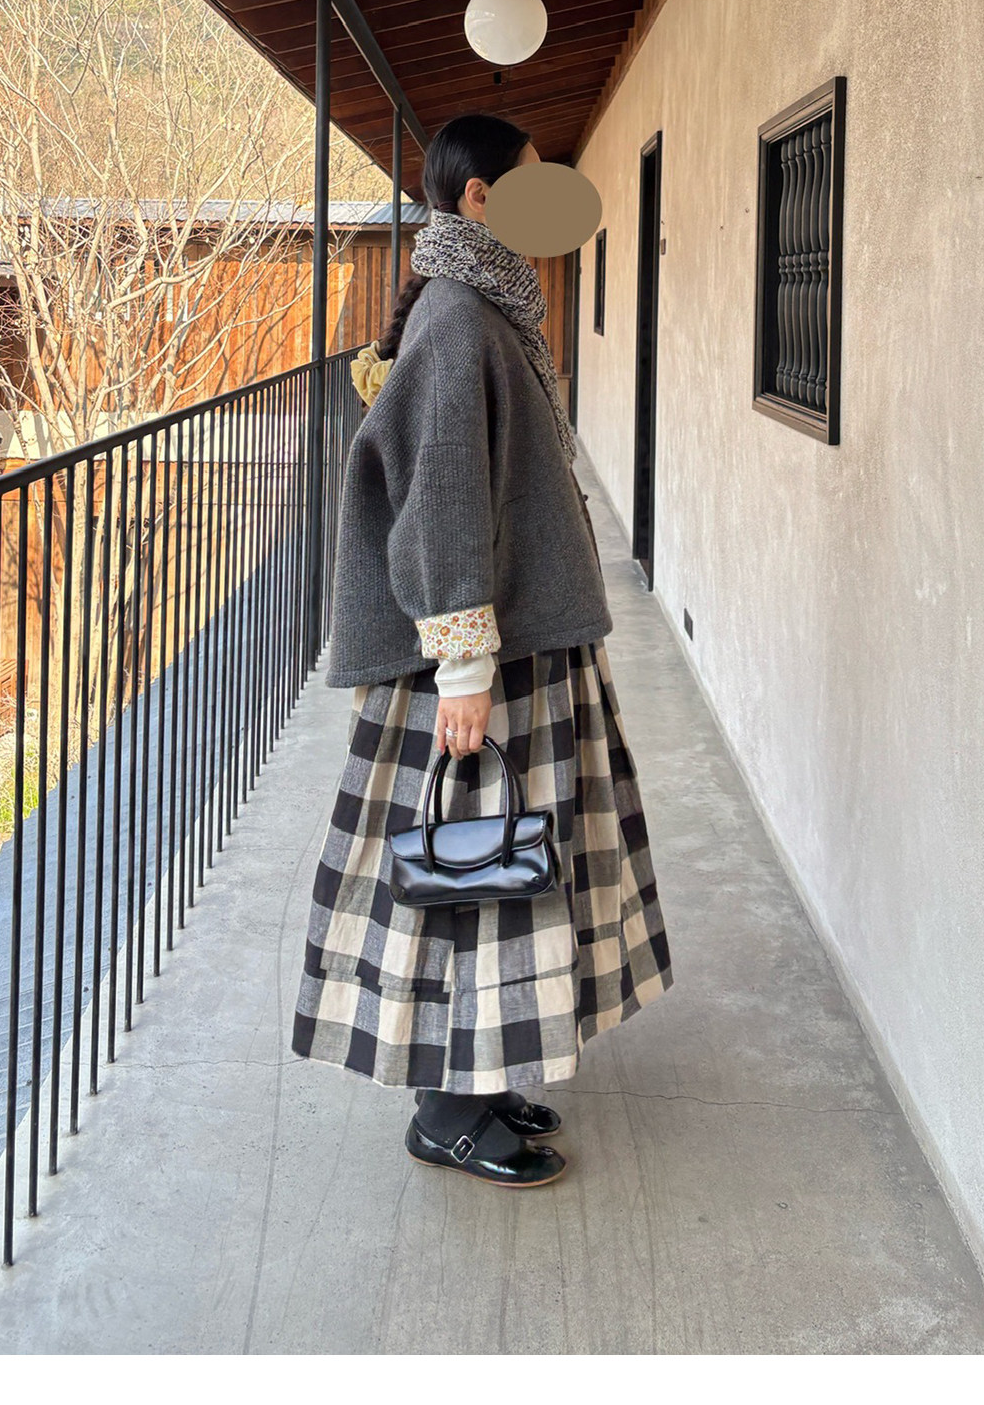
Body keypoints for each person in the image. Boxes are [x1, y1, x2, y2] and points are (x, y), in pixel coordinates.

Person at [291, 111, 672, 1188]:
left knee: (506, 866)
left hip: (516, 645)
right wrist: (462, 669)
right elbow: (443, 498)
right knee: (476, 869)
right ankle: (448, 1114)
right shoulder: (461, 320)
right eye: (537, 182)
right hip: (478, 664)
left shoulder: (480, 306)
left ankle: (481, 1080)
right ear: (480, 199)